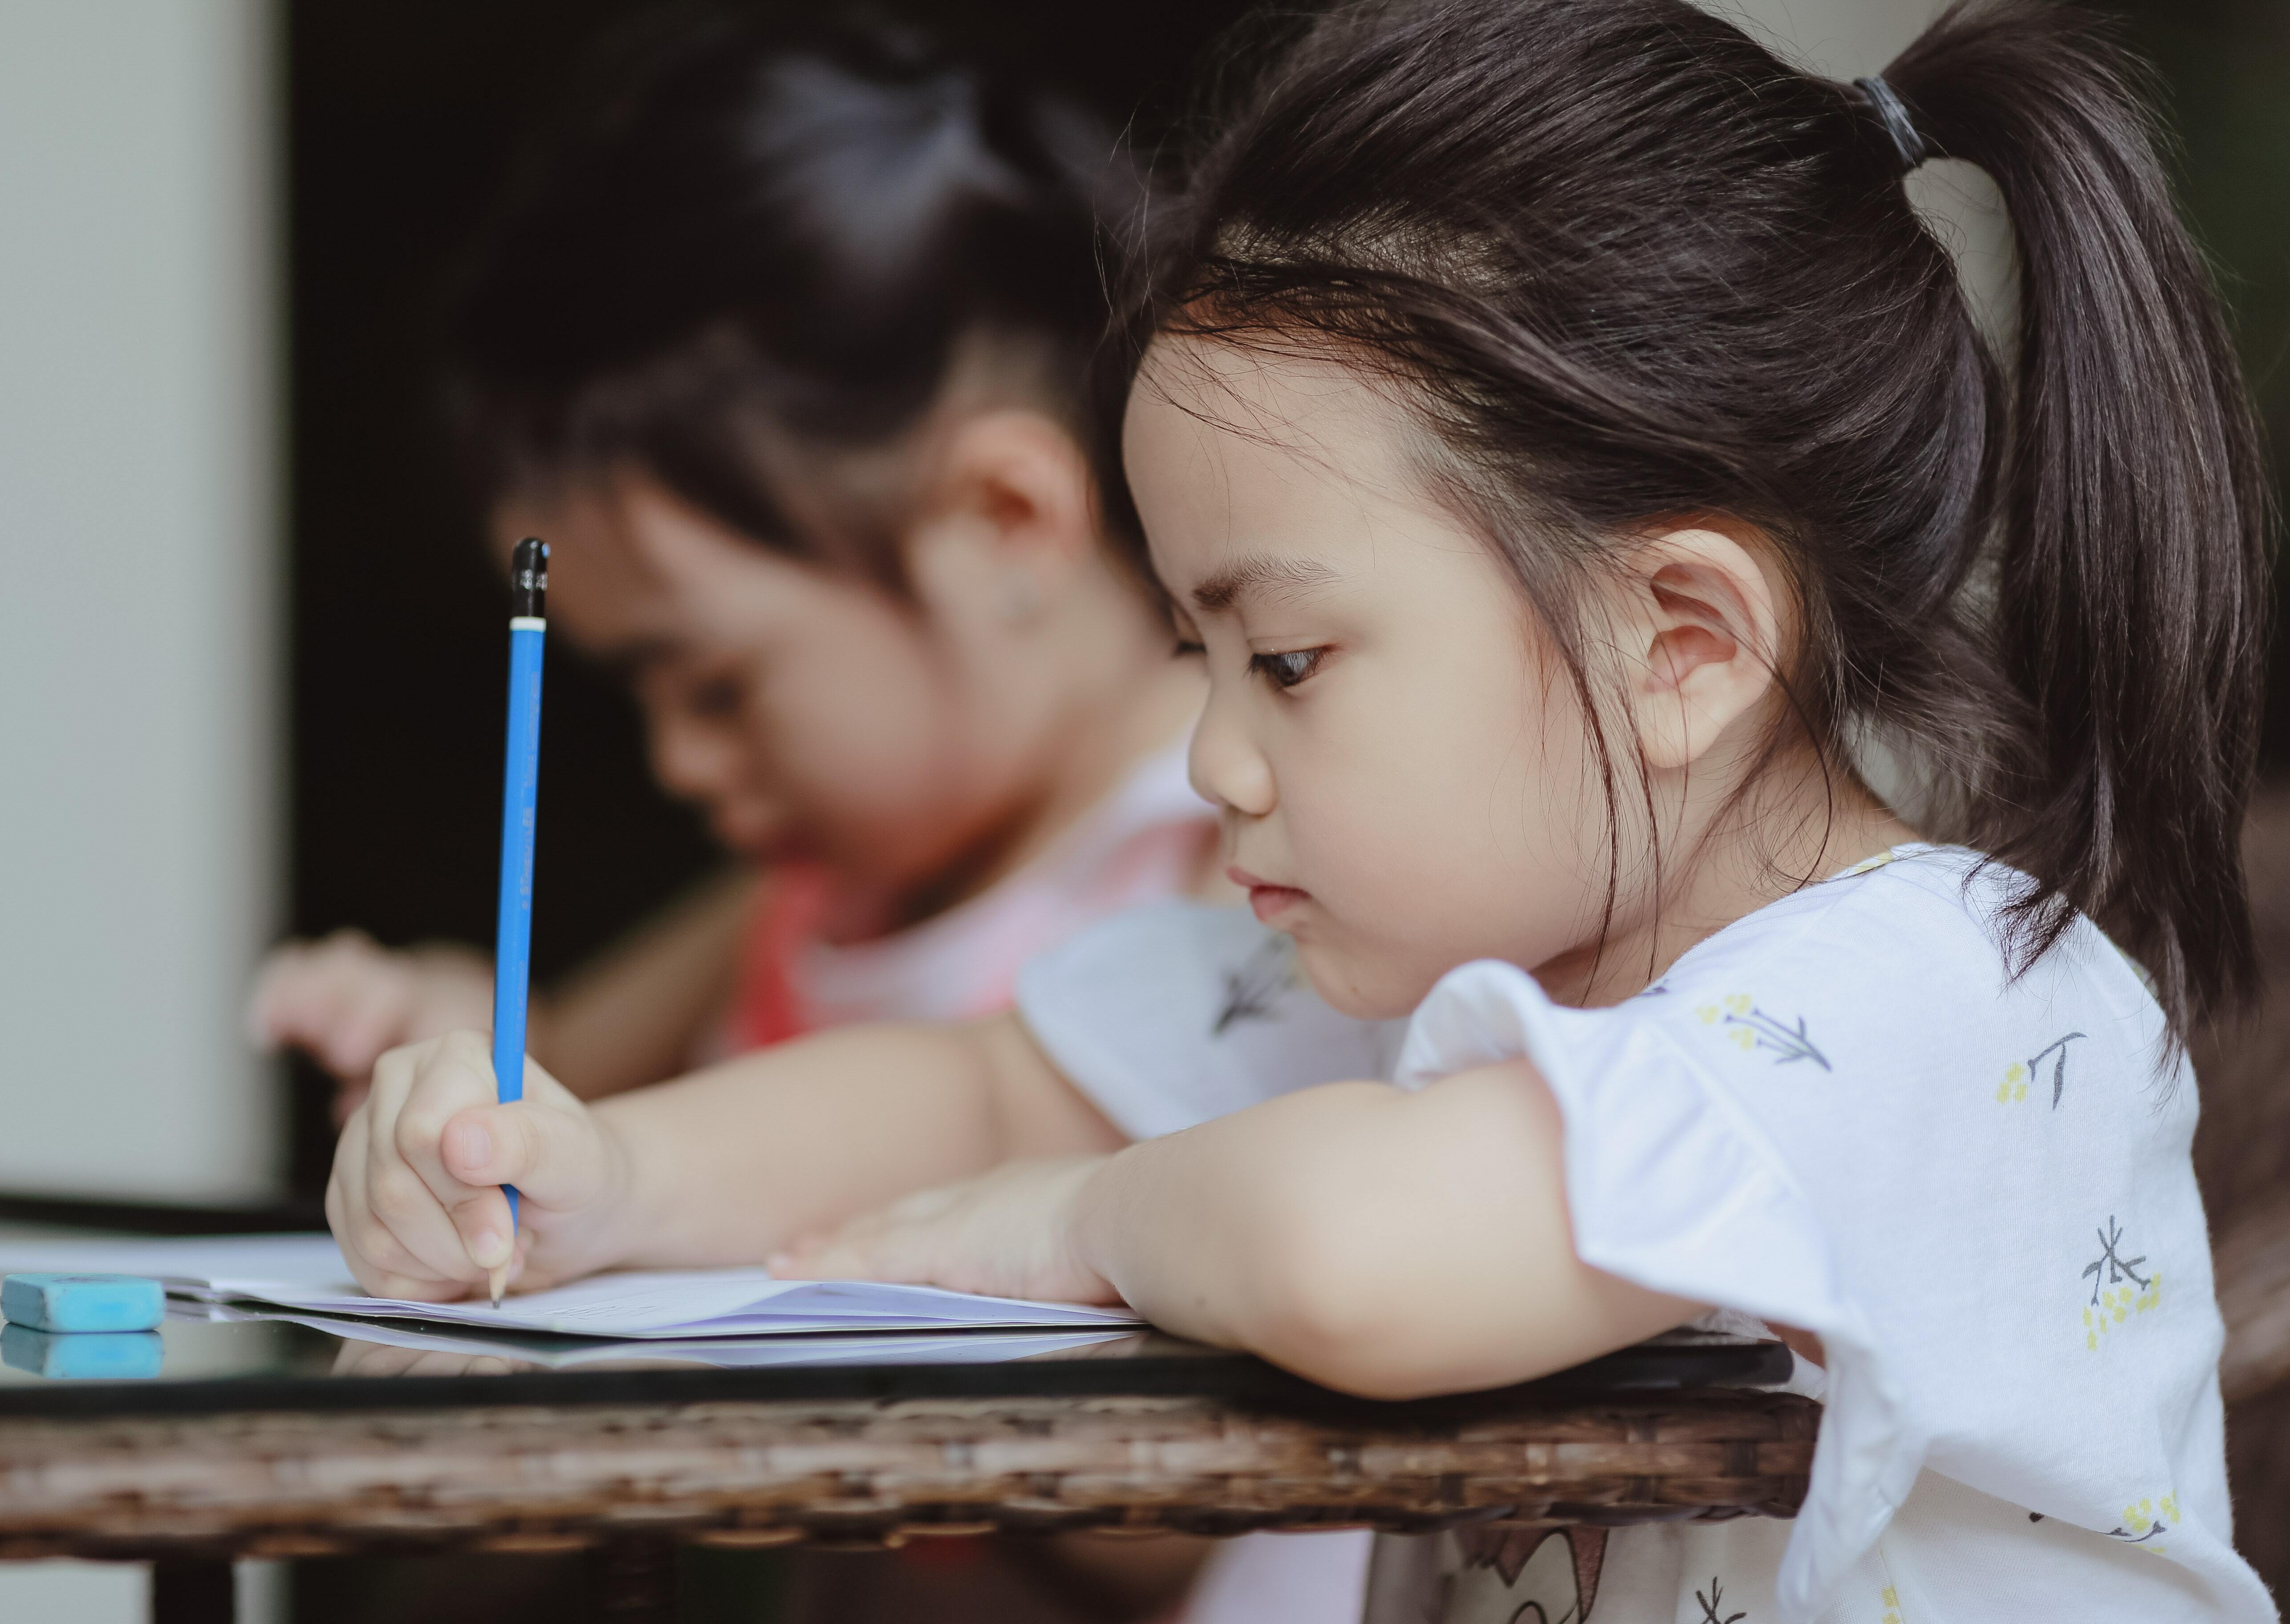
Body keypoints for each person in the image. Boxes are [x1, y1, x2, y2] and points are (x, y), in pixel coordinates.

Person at [322, 0, 2278, 1617]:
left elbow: (1351, 1256)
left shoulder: (1945, 1003)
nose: (1211, 762)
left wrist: (1083, 1221)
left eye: (1288, 661)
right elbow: (981, 1090)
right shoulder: (1423, 974)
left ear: (1680, 642)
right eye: (1190, 649)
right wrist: (596, 1175)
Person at [249, 17, 1218, 1114]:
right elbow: (559, 1100)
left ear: (1002, 518)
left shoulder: (1226, 847)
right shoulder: (805, 900)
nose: (681, 765)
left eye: (717, 686)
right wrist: (452, 1043)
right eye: (647, 697)